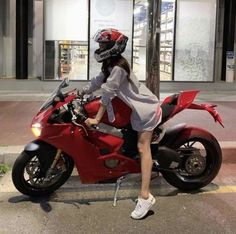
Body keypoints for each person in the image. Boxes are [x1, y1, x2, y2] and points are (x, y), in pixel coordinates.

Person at [81, 28, 162, 219]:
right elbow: (97, 82)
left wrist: (97, 118)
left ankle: (145, 196)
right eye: (99, 44)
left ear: (112, 47)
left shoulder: (118, 67)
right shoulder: (110, 65)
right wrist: (79, 92)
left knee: (143, 148)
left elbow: (107, 93)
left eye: (103, 44)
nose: (100, 47)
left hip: (145, 109)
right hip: (135, 108)